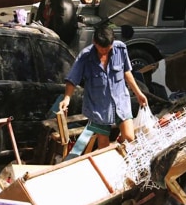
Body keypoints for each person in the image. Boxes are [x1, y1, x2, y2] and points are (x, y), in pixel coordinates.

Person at [58, 25, 148, 153]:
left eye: (108, 48)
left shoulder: (120, 49)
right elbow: (72, 79)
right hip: (98, 107)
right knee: (103, 145)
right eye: (102, 49)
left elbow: (126, 72)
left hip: (121, 102)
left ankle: (119, 151)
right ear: (94, 42)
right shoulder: (85, 57)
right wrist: (67, 99)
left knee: (129, 137)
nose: (105, 51)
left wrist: (138, 93)